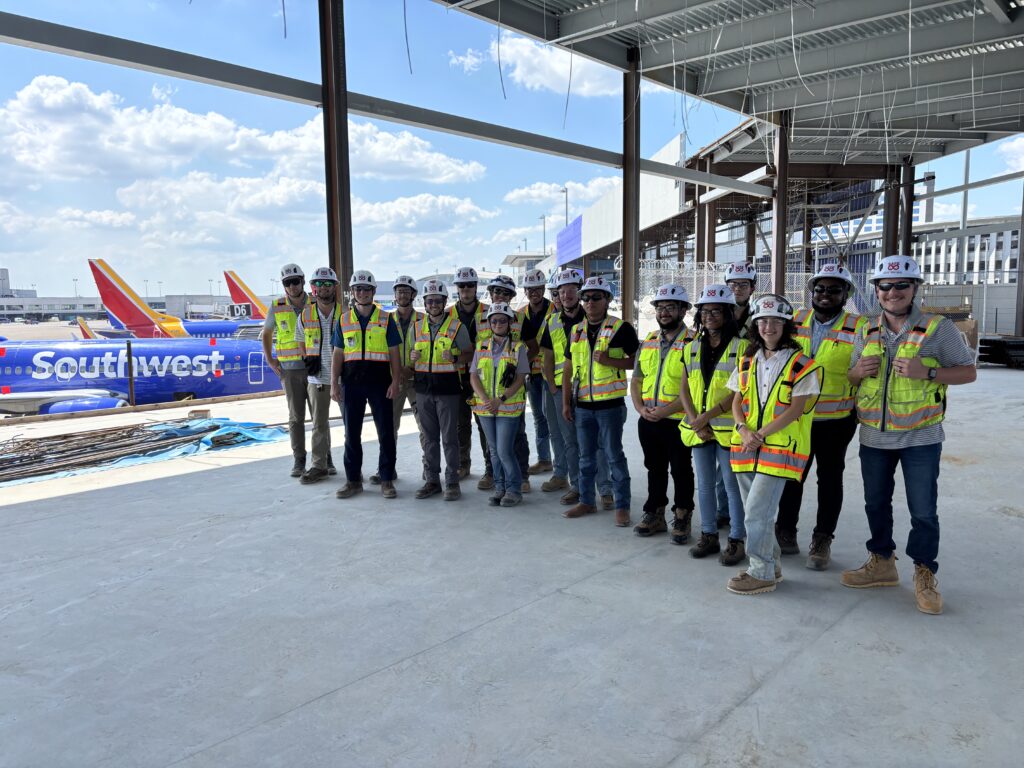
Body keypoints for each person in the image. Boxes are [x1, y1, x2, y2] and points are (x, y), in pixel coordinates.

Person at [843, 255, 976, 615]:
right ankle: (882, 561)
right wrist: (857, 371)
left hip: (921, 437)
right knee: (875, 503)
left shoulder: (939, 328)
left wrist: (927, 373)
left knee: (923, 511)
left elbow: (968, 373)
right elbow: (853, 379)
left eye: (901, 285)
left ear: (915, 288)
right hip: (874, 437)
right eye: (885, 286)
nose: (892, 292)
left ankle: (923, 571)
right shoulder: (865, 328)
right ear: (876, 290)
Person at [726, 295, 822, 595]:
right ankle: (773, 565)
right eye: (763, 321)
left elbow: (796, 409)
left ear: (786, 325)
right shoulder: (746, 360)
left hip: (780, 449)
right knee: (756, 512)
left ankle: (761, 572)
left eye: (776, 321)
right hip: (745, 446)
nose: (768, 326)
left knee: (757, 512)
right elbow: (737, 400)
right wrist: (743, 428)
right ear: (755, 325)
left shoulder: (802, 364)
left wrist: (760, 434)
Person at [775, 263, 867, 569]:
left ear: (846, 294)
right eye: (820, 289)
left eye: (834, 289)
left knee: (829, 479)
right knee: (792, 475)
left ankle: (822, 538)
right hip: (795, 416)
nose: (825, 295)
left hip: (836, 420)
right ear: (811, 292)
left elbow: (867, 370)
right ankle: (785, 530)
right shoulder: (795, 319)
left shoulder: (859, 327)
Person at [562, 276, 639, 527]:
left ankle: (622, 506)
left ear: (607, 300)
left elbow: (637, 363)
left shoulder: (621, 328)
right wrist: (565, 403)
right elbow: (568, 369)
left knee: (614, 455)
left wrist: (610, 361)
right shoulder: (576, 331)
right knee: (586, 457)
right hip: (583, 405)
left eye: (596, 297)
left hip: (610, 406)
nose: (590, 302)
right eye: (586, 298)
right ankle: (586, 501)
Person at [678, 284, 747, 561]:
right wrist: (696, 420)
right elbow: (684, 389)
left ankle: (736, 540)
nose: (709, 316)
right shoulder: (692, 347)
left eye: (716, 311)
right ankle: (708, 536)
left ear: (728, 313)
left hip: (729, 430)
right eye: (705, 312)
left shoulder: (743, 347)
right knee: (704, 485)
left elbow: (740, 390)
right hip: (699, 430)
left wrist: (708, 416)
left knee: (732, 487)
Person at [540, 268, 615, 508]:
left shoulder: (593, 316)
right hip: (561, 389)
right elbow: (547, 355)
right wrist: (552, 384)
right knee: (570, 440)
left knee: (598, 442)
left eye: (572, 290)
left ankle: (605, 489)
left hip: (589, 388)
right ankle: (578, 486)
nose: (567, 295)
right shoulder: (552, 321)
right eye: (561, 292)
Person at [630, 284, 696, 539]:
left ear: (683, 310)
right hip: (648, 419)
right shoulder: (647, 342)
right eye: (660, 307)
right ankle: (655, 512)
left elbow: (694, 388)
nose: (664, 312)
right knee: (654, 468)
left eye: (670, 307)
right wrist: (640, 408)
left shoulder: (694, 343)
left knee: (681, 469)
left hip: (679, 419)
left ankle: (682, 515)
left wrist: (666, 410)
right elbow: (636, 381)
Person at [330, 270, 403, 500]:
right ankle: (353, 481)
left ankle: (386, 479)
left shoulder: (386, 319)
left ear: (373, 292)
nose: (361, 292)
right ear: (352, 292)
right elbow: (337, 354)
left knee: (386, 433)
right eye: (357, 288)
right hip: (351, 384)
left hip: (380, 382)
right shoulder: (344, 320)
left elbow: (394, 354)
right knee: (351, 434)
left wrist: (396, 380)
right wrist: (334, 383)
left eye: (366, 288)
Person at [409, 279, 473, 501]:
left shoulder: (457, 327)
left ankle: (452, 482)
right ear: (424, 303)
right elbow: (410, 360)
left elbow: (470, 354)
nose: (433, 304)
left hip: (448, 390)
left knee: (449, 438)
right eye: (430, 300)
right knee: (429, 438)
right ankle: (432, 481)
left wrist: (456, 357)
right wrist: (412, 358)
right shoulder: (416, 328)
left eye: (437, 300)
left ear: (445, 302)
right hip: (423, 389)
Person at [470, 303, 529, 507]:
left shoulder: (519, 348)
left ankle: (514, 489)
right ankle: (500, 487)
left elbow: (521, 378)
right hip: (485, 407)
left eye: (502, 320)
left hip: (508, 408)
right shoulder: (481, 346)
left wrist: (500, 400)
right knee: (493, 450)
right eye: (494, 320)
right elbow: (473, 376)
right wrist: (486, 400)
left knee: (504, 450)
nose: (497, 324)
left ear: (510, 322)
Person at [369, 274, 421, 485]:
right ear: (395, 295)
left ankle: (430, 470)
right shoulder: (385, 320)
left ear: (413, 295)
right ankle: (386, 470)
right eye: (399, 291)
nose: (402, 294)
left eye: (406, 291)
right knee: (389, 428)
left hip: (418, 380)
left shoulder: (423, 321)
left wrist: (412, 369)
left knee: (425, 427)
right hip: (395, 381)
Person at [263, 263, 311, 478]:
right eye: (287, 283)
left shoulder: (316, 303)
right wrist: (271, 361)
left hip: (315, 368)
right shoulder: (277, 306)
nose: (292, 286)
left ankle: (324, 458)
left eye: (295, 281)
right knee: (296, 417)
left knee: (319, 417)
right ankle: (299, 460)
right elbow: (266, 333)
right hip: (290, 370)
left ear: (302, 281)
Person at [485, 274, 531, 492]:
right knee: (491, 440)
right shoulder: (481, 317)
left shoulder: (521, 318)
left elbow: (533, 347)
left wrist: (516, 366)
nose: (500, 296)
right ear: (490, 293)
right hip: (486, 388)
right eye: (497, 291)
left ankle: (521, 476)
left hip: (511, 390)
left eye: (506, 293)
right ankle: (492, 475)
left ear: (512, 296)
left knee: (517, 434)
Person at [295, 267, 342, 484]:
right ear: (313, 288)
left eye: (328, 284)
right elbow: (301, 341)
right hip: (317, 379)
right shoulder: (305, 315)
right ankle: (319, 465)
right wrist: (310, 360)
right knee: (319, 425)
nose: (324, 288)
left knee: (351, 424)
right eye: (319, 284)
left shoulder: (345, 314)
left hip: (344, 379)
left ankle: (353, 467)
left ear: (335, 287)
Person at [449, 266, 491, 486]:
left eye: (470, 285)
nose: (466, 289)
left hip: (483, 378)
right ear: (457, 288)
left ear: (476, 287)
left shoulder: (488, 312)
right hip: (456, 378)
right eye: (462, 285)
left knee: (485, 425)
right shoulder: (448, 314)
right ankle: (463, 465)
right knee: (460, 425)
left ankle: (490, 469)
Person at [520, 268, 555, 477]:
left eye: (538, 289)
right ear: (525, 290)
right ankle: (544, 459)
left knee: (554, 418)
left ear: (544, 289)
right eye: (530, 289)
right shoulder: (520, 314)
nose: (534, 293)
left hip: (551, 374)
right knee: (539, 418)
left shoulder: (556, 312)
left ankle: (561, 460)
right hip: (532, 375)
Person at [724, 262, 757, 337]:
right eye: (732, 284)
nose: (737, 289)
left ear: (752, 289)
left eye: (744, 285)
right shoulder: (717, 315)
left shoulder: (757, 318)